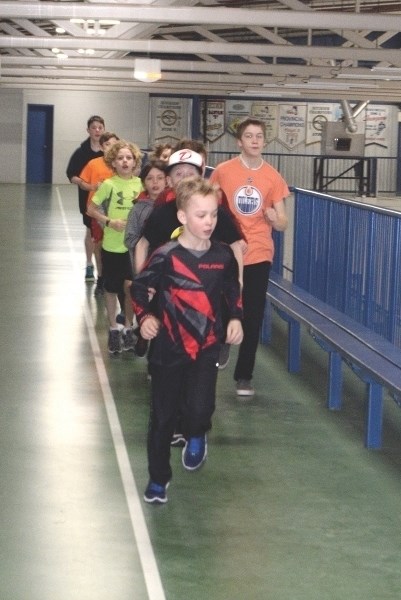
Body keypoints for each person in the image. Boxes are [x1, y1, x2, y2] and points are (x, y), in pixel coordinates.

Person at [131, 177, 243, 504]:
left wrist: (235, 318)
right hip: (168, 347)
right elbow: (140, 289)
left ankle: (197, 432)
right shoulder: (166, 256)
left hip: (206, 347)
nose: (208, 222)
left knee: (199, 408)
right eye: (200, 215)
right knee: (163, 418)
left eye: (213, 215)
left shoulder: (222, 257)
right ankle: (157, 479)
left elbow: (231, 291)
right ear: (182, 217)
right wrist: (146, 318)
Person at [210, 117, 289, 397]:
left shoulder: (272, 176)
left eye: (259, 136)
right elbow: (211, 207)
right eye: (249, 136)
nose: (254, 141)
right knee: (221, 303)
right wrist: (228, 239)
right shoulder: (223, 171)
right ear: (239, 142)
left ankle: (244, 376)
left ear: (263, 141)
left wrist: (273, 217)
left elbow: (282, 222)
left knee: (253, 315)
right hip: (228, 250)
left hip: (258, 253)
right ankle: (222, 340)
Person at [87, 140, 143, 354]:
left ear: (134, 161)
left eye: (129, 158)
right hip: (111, 245)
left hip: (132, 247)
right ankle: (113, 329)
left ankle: (128, 328)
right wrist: (110, 221)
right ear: (114, 162)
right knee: (111, 289)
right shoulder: (108, 185)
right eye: (120, 158)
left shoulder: (140, 185)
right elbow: (91, 209)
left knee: (130, 288)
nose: (125, 161)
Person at [124, 160, 168, 357]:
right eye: (150, 178)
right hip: (146, 266)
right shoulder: (138, 209)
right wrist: (146, 242)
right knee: (148, 305)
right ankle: (143, 335)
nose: (155, 183)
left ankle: (155, 350)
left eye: (160, 178)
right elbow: (130, 239)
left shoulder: (174, 207)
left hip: (168, 269)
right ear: (144, 183)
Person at [79, 132, 120, 296]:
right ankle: (101, 278)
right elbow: (82, 183)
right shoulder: (93, 164)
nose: (112, 148)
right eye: (109, 144)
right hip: (98, 211)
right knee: (99, 245)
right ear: (102, 147)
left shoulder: (121, 165)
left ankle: (115, 277)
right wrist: (92, 187)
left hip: (117, 212)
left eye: (115, 144)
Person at [66, 115, 106, 282]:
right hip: (88, 198)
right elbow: (71, 174)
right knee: (91, 232)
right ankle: (90, 264)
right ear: (88, 130)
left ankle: (105, 269)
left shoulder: (109, 151)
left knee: (106, 233)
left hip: (108, 200)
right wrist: (85, 185)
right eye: (94, 127)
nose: (97, 130)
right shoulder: (81, 152)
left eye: (100, 127)